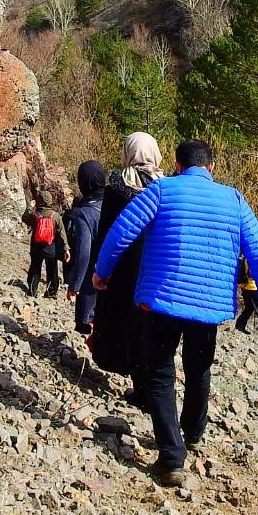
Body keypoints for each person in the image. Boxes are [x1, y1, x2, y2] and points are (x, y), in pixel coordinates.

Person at [93, 138, 258, 487]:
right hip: (208, 308)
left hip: (161, 302)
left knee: (160, 374)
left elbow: (121, 232)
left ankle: (171, 457)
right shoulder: (234, 201)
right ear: (211, 167)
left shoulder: (161, 191)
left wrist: (101, 273)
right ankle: (192, 432)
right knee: (198, 369)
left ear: (178, 166)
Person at [88, 132, 163, 409]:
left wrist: (99, 267)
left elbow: (107, 231)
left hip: (121, 267)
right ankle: (146, 387)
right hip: (153, 267)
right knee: (147, 327)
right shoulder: (164, 188)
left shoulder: (116, 187)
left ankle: (123, 367)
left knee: (121, 320)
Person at [63, 160, 106, 333]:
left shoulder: (85, 214)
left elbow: (83, 254)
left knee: (89, 324)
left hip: (92, 281)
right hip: (116, 276)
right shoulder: (116, 204)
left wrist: (74, 286)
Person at [24, 201, 67, 298]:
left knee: (35, 267)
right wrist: (66, 247)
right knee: (52, 269)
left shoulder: (35, 214)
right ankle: (51, 292)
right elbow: (62, 233)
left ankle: (32, 290)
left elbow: (25, 218)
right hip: (50, 247)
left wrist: (30, 207)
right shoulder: (55, 215)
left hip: (36, 247)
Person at [234, 257, 258, 334]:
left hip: (246, 286)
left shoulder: (246, 258)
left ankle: (240, 325)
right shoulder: (254, 258)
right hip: (252, 287)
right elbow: (252, 273)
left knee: (249, 308)